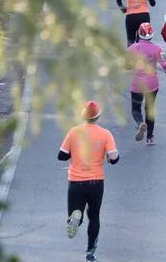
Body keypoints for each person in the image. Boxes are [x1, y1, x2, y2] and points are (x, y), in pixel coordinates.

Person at [59, 101, 119, 262]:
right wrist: (105, 156)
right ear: (98, 116)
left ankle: (75, 219)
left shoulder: (73, 132)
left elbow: (62, 155)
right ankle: (90, 252)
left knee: (74, 213)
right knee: (94, 217)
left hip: (76, 181)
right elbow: (114, 158)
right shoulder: (105, 134)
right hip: (96, 182)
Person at [128, 22, 164, 144]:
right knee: (150, 109)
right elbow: (164, 65)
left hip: (137, 83)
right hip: (152, 84)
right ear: (152, 35)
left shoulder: (133, 48)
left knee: (136, 109)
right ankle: (150, 137)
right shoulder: (157, 49)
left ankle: (140, 123)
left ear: (139, 33)